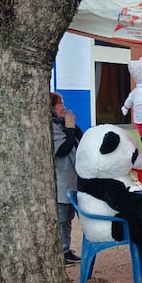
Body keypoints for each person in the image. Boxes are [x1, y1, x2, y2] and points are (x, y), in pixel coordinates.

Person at [50, 92, 83, 266]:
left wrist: (73, 127)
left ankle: (67, 249)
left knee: (68, 217)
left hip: (72, 177)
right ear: (51, 108)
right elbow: (62, 149)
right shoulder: (51, 127)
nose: (63, 106)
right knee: (61, 218)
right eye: (59, 104)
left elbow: (79, 140)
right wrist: (69, 129)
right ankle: (61, 252)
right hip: (61, 178)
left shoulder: (63, 124)